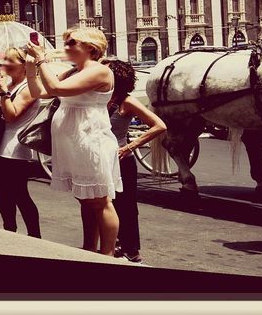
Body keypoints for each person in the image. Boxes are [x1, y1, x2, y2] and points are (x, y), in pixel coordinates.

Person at [25, 27, 122, 256]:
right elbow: (40, 92)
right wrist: (31, 69)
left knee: (100, 200)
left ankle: (107, 255)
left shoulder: (99, 71)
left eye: (72, 43)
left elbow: (56, 89)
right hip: (73, 142)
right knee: (85, 199)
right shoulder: (73, 71)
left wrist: (41, 60)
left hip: (90, 140)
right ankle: (89, 249)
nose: (66, 47)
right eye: (66, 43)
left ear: (90, 47)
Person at [101, 58, 167, 263]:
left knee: (126, 206)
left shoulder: (127, 101)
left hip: (122, 161)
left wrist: (129, 146)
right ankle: (113, 244)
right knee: (104, 204)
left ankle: (131, 249)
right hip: (102, 159)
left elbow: (159, 126)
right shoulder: (100, 98)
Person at [0, 48, 41, 238]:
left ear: (23, 65)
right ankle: (10, 232)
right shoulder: (9, 84)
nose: (4, 63)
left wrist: (3, 91)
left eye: (9, 60)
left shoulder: (29, 87)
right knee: (0, 193)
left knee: (20, 196)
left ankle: (35, 237)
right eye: (4, 59)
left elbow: (11, 116)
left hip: (15, 151)